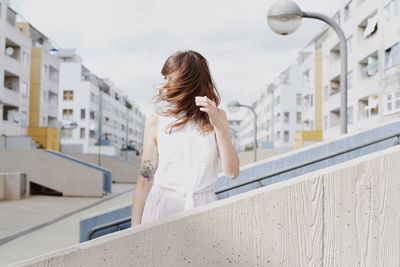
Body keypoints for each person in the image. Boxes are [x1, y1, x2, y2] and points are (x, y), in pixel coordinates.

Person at [131, 50, 240, 226]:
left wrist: (218, 125)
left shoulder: (218, 117)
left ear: (189, 81)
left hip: (203, 208)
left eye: (170, 78)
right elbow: (145, 179)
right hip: (161, 207)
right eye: (164, 78)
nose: (164, 85)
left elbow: (232, 172)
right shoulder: (155, 122)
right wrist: (134, 229)